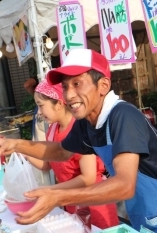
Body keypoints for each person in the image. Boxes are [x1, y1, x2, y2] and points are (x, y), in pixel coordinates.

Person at [0, 49, 157, 232]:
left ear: (103, 86)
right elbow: (61, 151)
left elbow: (124, 184)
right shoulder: (88, 121)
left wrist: (58, 196)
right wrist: (15, 144)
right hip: (147, 213)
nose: (69, 95)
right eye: (66, 86)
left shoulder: (123, 116)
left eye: (77, 84)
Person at [25, 79, 119, 229]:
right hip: (72, 205)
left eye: (41, 106)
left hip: (95, 206)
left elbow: (88, 177)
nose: (39, 112)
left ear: (59, 104)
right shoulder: (52, 130)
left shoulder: (79, 130)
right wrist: (23, 152)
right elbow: (47, 165)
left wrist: (51, 191)